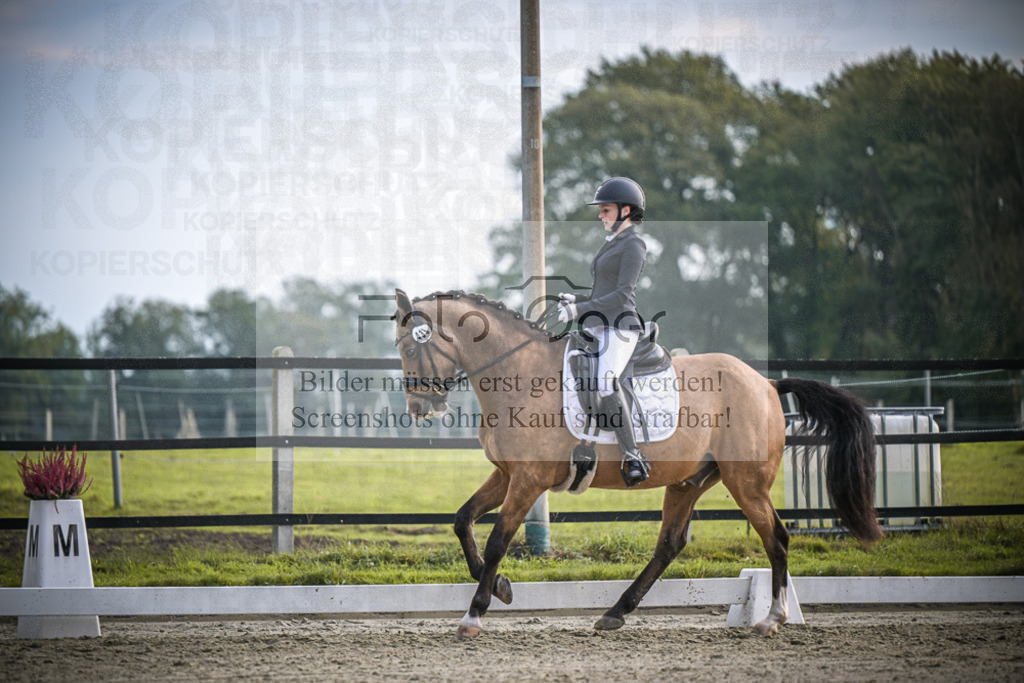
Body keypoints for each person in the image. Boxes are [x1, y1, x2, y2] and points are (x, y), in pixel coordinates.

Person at [557, 177, 651, 487]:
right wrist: (578, 300)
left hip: (621, 328)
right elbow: (602, 291)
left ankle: (633, 454)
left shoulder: (634, 244)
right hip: (599, 326)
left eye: (606, 210)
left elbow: (622, 295)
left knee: (606, 381)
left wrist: (580, 311)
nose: (601, 215)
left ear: (626, 210)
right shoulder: (611, 243)